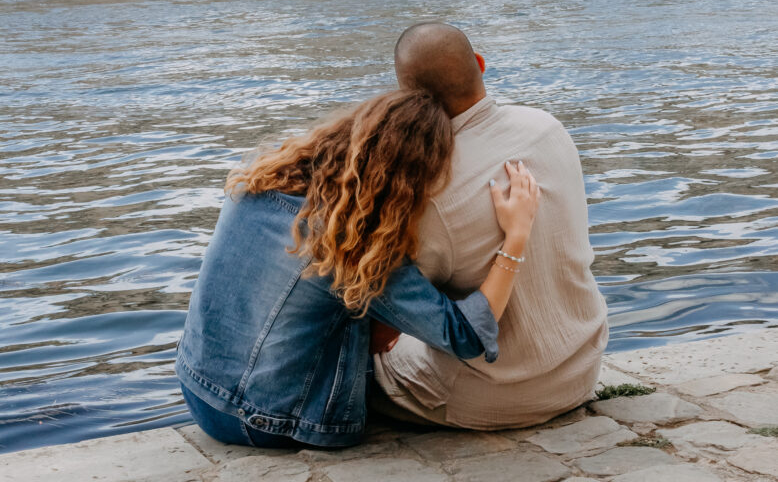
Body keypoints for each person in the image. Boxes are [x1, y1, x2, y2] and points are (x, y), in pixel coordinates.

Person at [176, 89, 540, 449]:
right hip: (268, 422)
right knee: (395, 325)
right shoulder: (352, 244)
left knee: (359, 307)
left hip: (196, 388)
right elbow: (465, 336)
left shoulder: (260, 181)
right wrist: (516, 236)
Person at [373, 22, 608, 430]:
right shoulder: (548, 127)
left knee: (361, 350)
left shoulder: (430, 189)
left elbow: (388, 325)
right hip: (581, 369)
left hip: (495, 395)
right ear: (480, 64)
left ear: (407, 99)